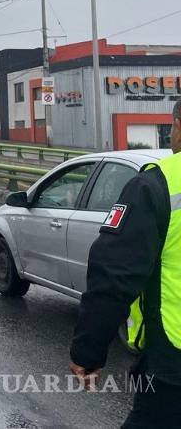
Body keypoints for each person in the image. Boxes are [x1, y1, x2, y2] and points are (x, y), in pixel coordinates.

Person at [70, 99, 181, 426]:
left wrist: (88, 352)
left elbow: (114, 275)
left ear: (177, 126)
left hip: (174, 362)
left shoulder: (159, 184)